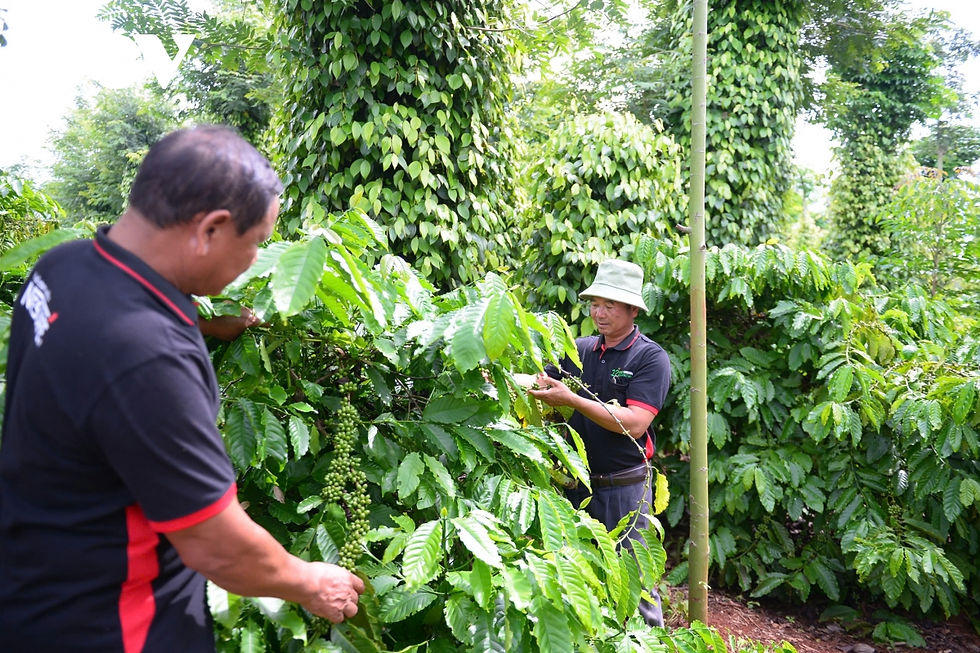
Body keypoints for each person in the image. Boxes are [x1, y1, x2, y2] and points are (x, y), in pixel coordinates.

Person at [0, 125, 364, 652]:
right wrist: (311, 582)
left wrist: (215, 328)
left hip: (36, 583)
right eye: (256, 243)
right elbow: (214, 544)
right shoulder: (144, 355)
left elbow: (109, 353)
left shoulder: (65, 265)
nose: (255, 262)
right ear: (211, 229)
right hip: (110, 625)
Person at [527, 259, 671, 627]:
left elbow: (637, 424)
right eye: (595, 304)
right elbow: (543, 381)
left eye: (609, 305)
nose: (599, 313)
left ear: (632, 310)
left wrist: (573, 401)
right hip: (577, 487)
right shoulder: (581, 349)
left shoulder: (649, 358)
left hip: (625, 488)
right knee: (578, 577)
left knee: (634, 582)